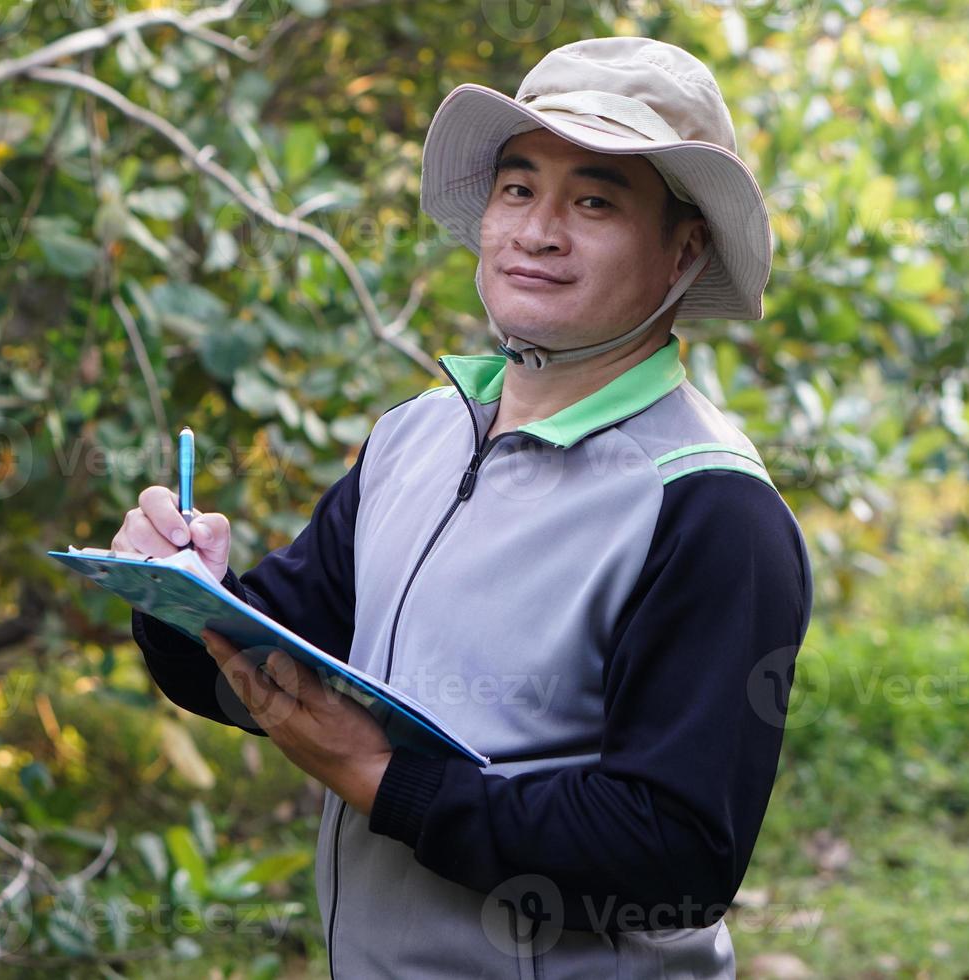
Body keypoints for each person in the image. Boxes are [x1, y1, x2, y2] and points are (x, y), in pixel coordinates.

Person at [114, 37, 814, 978]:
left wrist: (379, 779)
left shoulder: (708, 507)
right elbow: (265, 668)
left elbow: (675, 856)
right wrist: (179, 594)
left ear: (684, 251)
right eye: (518, 189)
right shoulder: (419, 436)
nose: (538, 231)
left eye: (596, 200)